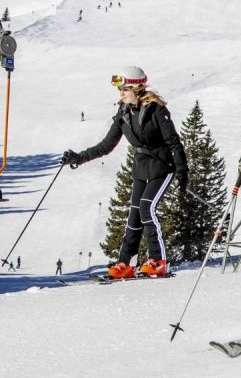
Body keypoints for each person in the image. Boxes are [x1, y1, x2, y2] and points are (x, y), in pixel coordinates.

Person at [60, 67, 188, 279]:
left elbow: (173, 142)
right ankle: (126, 263)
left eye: (125, 88)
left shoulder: (157, 110)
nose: (121, 93)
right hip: (141, 169)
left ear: (138, 87)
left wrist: (182, 170)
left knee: (147, 208)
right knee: (134, 214)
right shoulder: (123, 114)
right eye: (120, 89)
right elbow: (106, 145)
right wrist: (79, 157)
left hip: (162, 167)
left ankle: (158, 261)